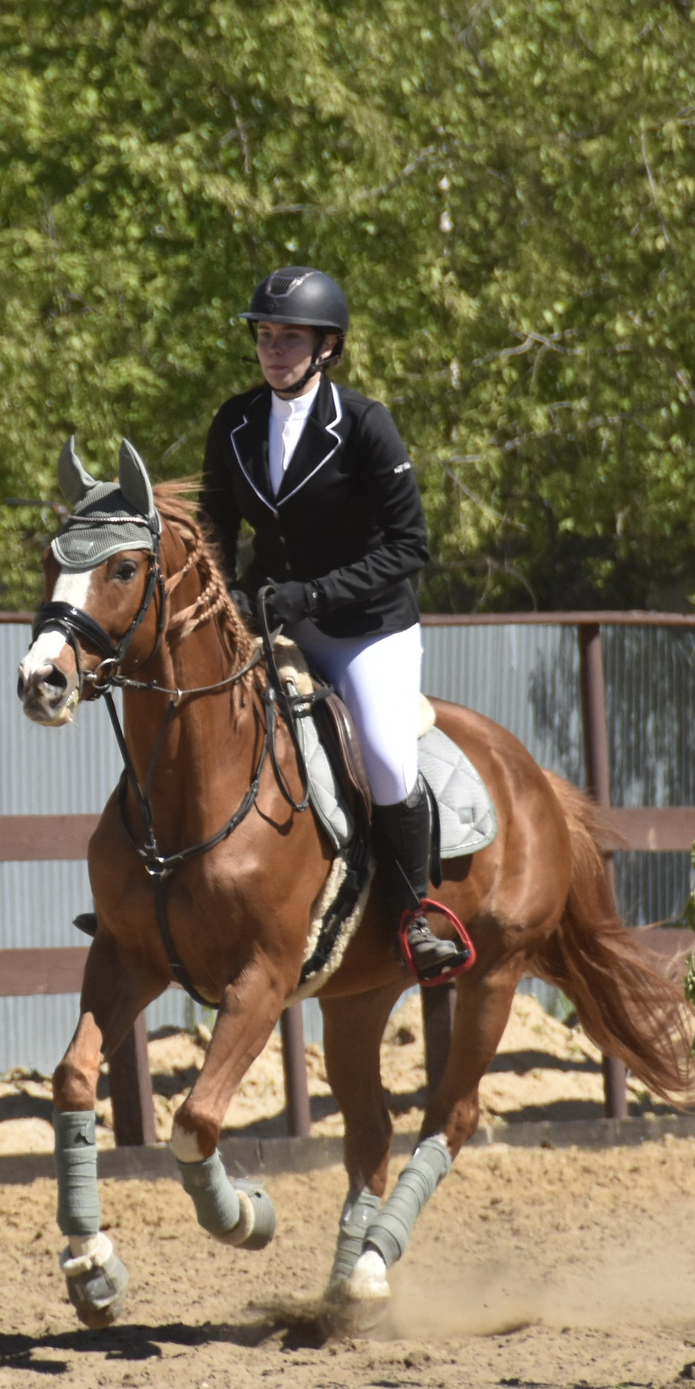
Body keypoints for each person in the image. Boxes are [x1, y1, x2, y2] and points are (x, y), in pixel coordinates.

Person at [199, 265, 462, 981]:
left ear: (327, 348)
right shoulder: (236, 421)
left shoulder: (366, 423)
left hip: (365, 628)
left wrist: (310, 597)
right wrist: (219, 603)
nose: (273, 348)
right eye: (264, 335)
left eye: (290, 337)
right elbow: (215, 532)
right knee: (194, 718)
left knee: (380, 749)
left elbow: (411, 547)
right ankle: (161, 889)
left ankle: (415, 912)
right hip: (267, 617)